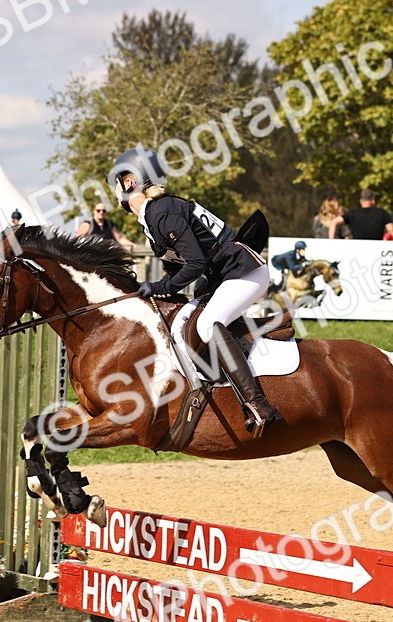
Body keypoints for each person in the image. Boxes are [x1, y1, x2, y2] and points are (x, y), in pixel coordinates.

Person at [109, 147, 282, 436]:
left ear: (129, 182)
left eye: (117, 183)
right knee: (185, 318)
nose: (116, 192)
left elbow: (196, 263)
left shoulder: (161, 213)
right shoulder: (155, 214)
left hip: (244, 272)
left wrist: (159, 287)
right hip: (225, 275)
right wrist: (147, 290)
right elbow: (178, 269)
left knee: (206, 324)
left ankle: (257, 404)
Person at [328, 189, 393, 239]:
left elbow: (334, 222)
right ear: (373, 201)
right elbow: (391, 230)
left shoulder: (353, 213)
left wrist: (331, 242)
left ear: (361, 201)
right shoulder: (382, 213)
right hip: (376, 250)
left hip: (358, 250)